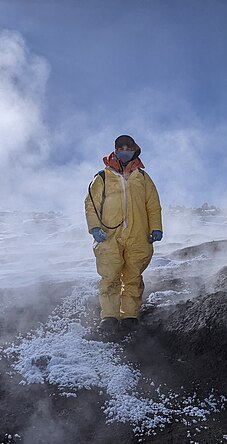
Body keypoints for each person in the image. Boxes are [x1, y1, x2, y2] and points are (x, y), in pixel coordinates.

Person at [85, 135, 163, 333]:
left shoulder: (143, 177)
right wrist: (94, 227)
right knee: (109, 276)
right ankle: (109, 317)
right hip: (109, 235)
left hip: (138, 235)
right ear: (115, 150)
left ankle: (130, 316)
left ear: (135, 149)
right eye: (120, 147)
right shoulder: (102, 177)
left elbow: (152, 205)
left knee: (133, 276)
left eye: (128, 147)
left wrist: (156, 227)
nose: (124, 150)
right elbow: (92, 204)